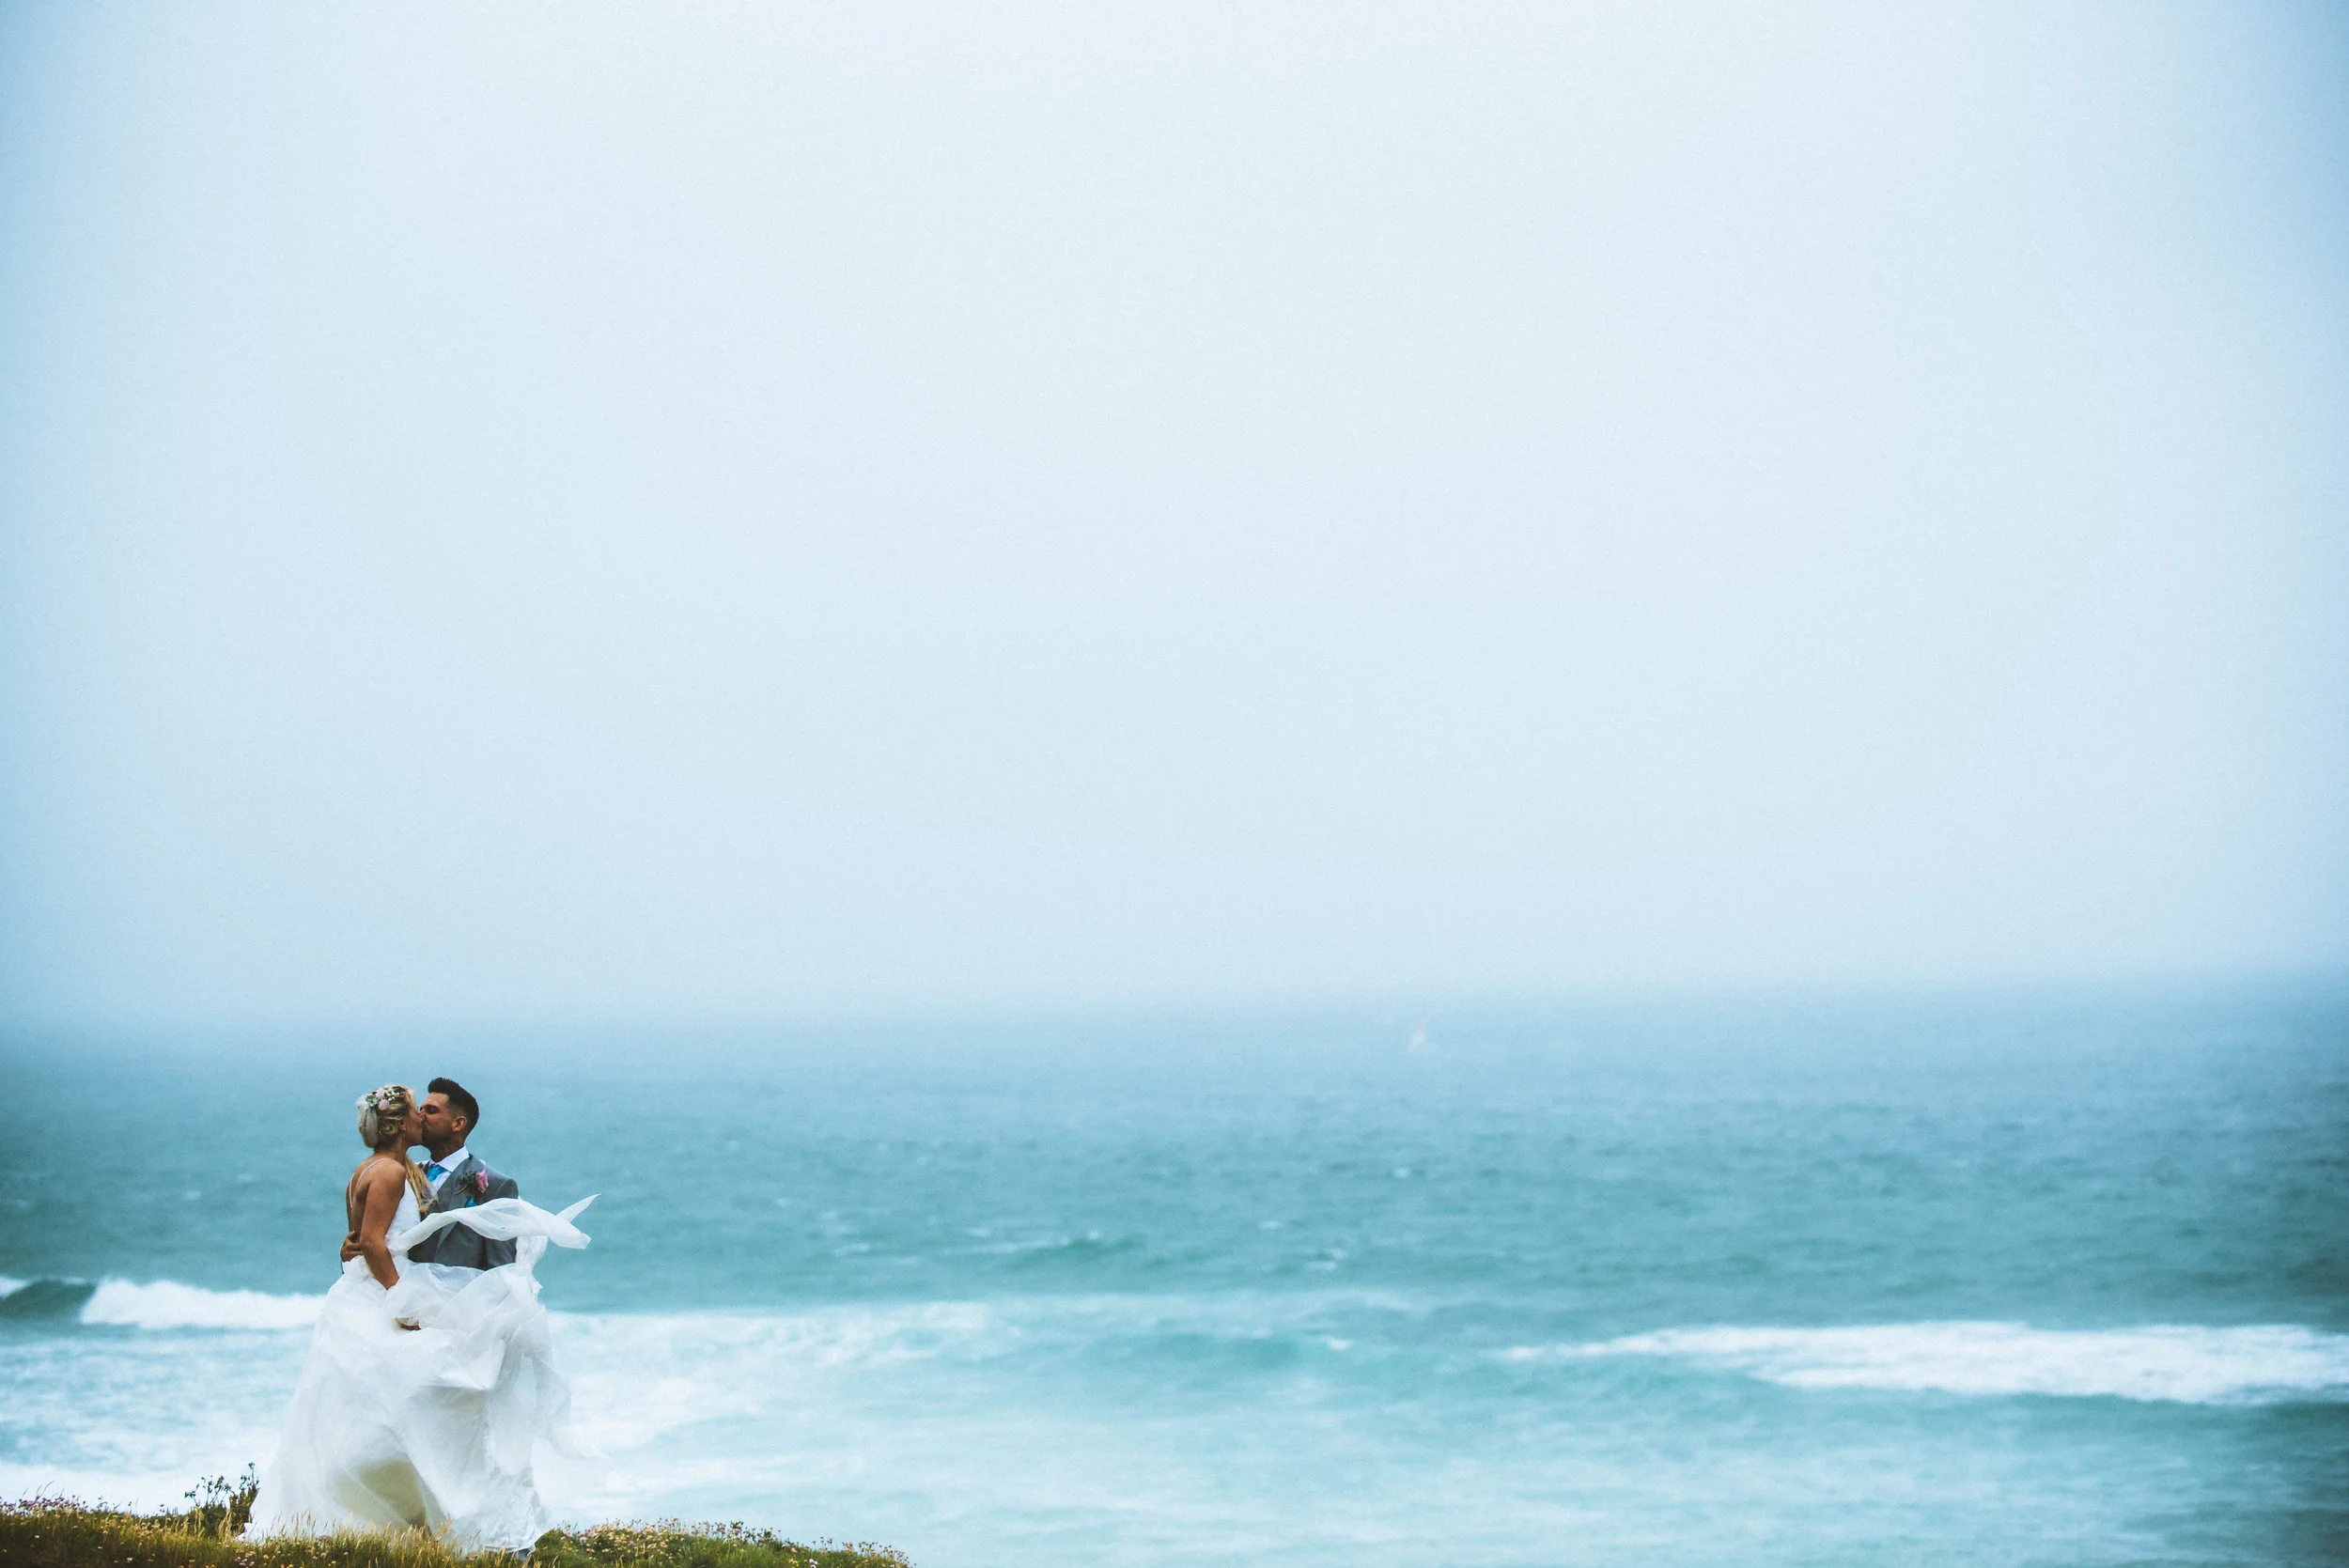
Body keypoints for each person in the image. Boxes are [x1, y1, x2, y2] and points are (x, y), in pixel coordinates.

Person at [245, 1081, 594, 1551]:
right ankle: (393, 1522)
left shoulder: (492, 1183)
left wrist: (493, 1326)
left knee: (457, 1424)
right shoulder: (398, 1170)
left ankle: (475, 1526)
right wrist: (364, 1258)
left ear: (458, 1123)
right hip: (403, 1309)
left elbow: (501, 1267)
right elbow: (374, 1237)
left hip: (456, 1319)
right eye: (418, 1110)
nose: (421, 1117)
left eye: (431, 1111)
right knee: (391, 1419)